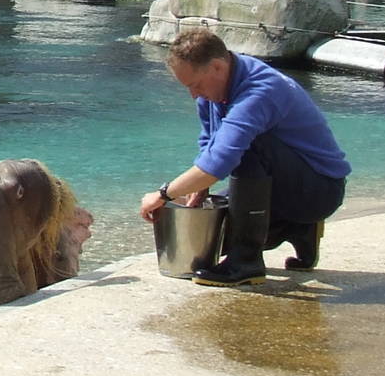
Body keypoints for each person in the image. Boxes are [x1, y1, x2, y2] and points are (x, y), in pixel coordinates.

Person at [139, 28, 350, 287]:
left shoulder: (259, 92)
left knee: (249, 146)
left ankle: (245, 263)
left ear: (217, 67)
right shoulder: (215, 89)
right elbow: (209, 143)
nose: (193, 94)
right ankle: (299, 229)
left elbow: (220, 161)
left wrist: (163, 194)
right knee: (211, 236)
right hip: (282, 187)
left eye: (195, 85)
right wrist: (200, 188)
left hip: (319, 190)